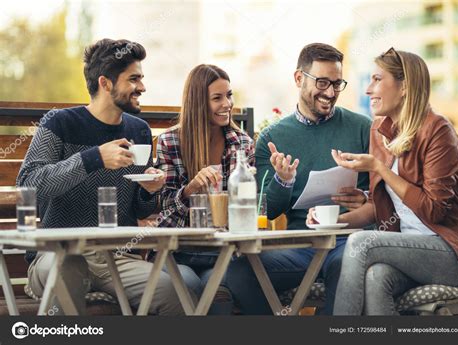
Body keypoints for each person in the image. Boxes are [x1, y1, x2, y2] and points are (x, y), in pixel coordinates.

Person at [17, 38, 201, 315]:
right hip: (58, 254)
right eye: (134, 79)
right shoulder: (59, 123)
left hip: (117, 258)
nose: (142, 87)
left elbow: (140, 208)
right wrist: (92, 159)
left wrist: (150, 190)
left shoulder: (138, 130)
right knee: (70, 269)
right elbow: (29, 184)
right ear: (105, 83)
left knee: (174, 293)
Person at [308, 48, 458, 315]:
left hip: (456, 254)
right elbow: (379, 206)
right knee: (376, 278)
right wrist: (333, 221)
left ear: (405, 86)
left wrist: (380, 169)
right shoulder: (380, 130)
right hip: (410, 251)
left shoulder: (437, 131)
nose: (368, 89)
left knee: (360, 243)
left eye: (376, 79)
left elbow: (434, 210)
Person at [222, 43, 373, 315]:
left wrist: (365, 199)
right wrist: (283, 181)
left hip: (348, 241)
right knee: (238, 270)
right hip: (300, 246)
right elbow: (266, 210)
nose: (330, 93)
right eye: (323, 82)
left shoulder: (363, 128)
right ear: (299, 79)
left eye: (337, 84)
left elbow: (385, 195)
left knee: (347, 266)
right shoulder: (272, 138)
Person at [153, 64, 254, 313]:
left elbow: (247, 207)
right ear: (198, 102)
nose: (227, 104)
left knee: (219, 292)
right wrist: (190, 189)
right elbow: (162, 205)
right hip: (177, 251)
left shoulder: (241, 144)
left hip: (222, 252)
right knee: (189, 285)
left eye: (229, 95)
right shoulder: (170, 141)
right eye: (217, 98)